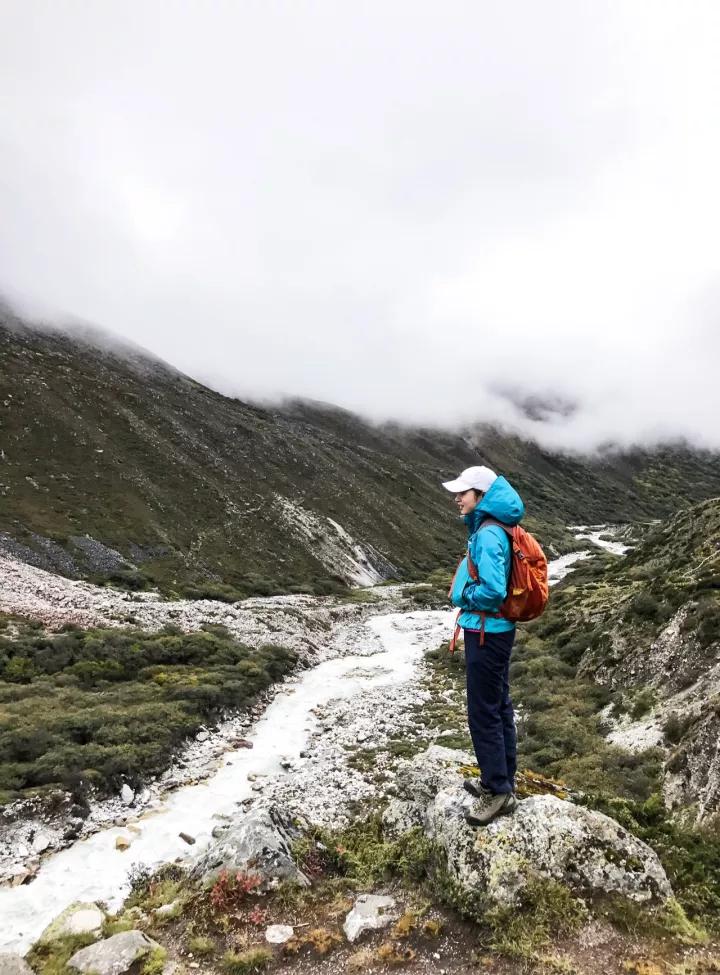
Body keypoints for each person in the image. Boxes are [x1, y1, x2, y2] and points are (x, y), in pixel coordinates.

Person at [441, 464, 525, 826]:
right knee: (498, 704)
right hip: (494, 631)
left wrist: (462, 593)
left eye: (464, 492)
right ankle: (503, 779)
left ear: (481, 496)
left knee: (483, 711)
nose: (458, 498)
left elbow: (493, 591)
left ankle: (497, 791)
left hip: (486, 632)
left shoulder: (489, 534)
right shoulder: (494, 527)